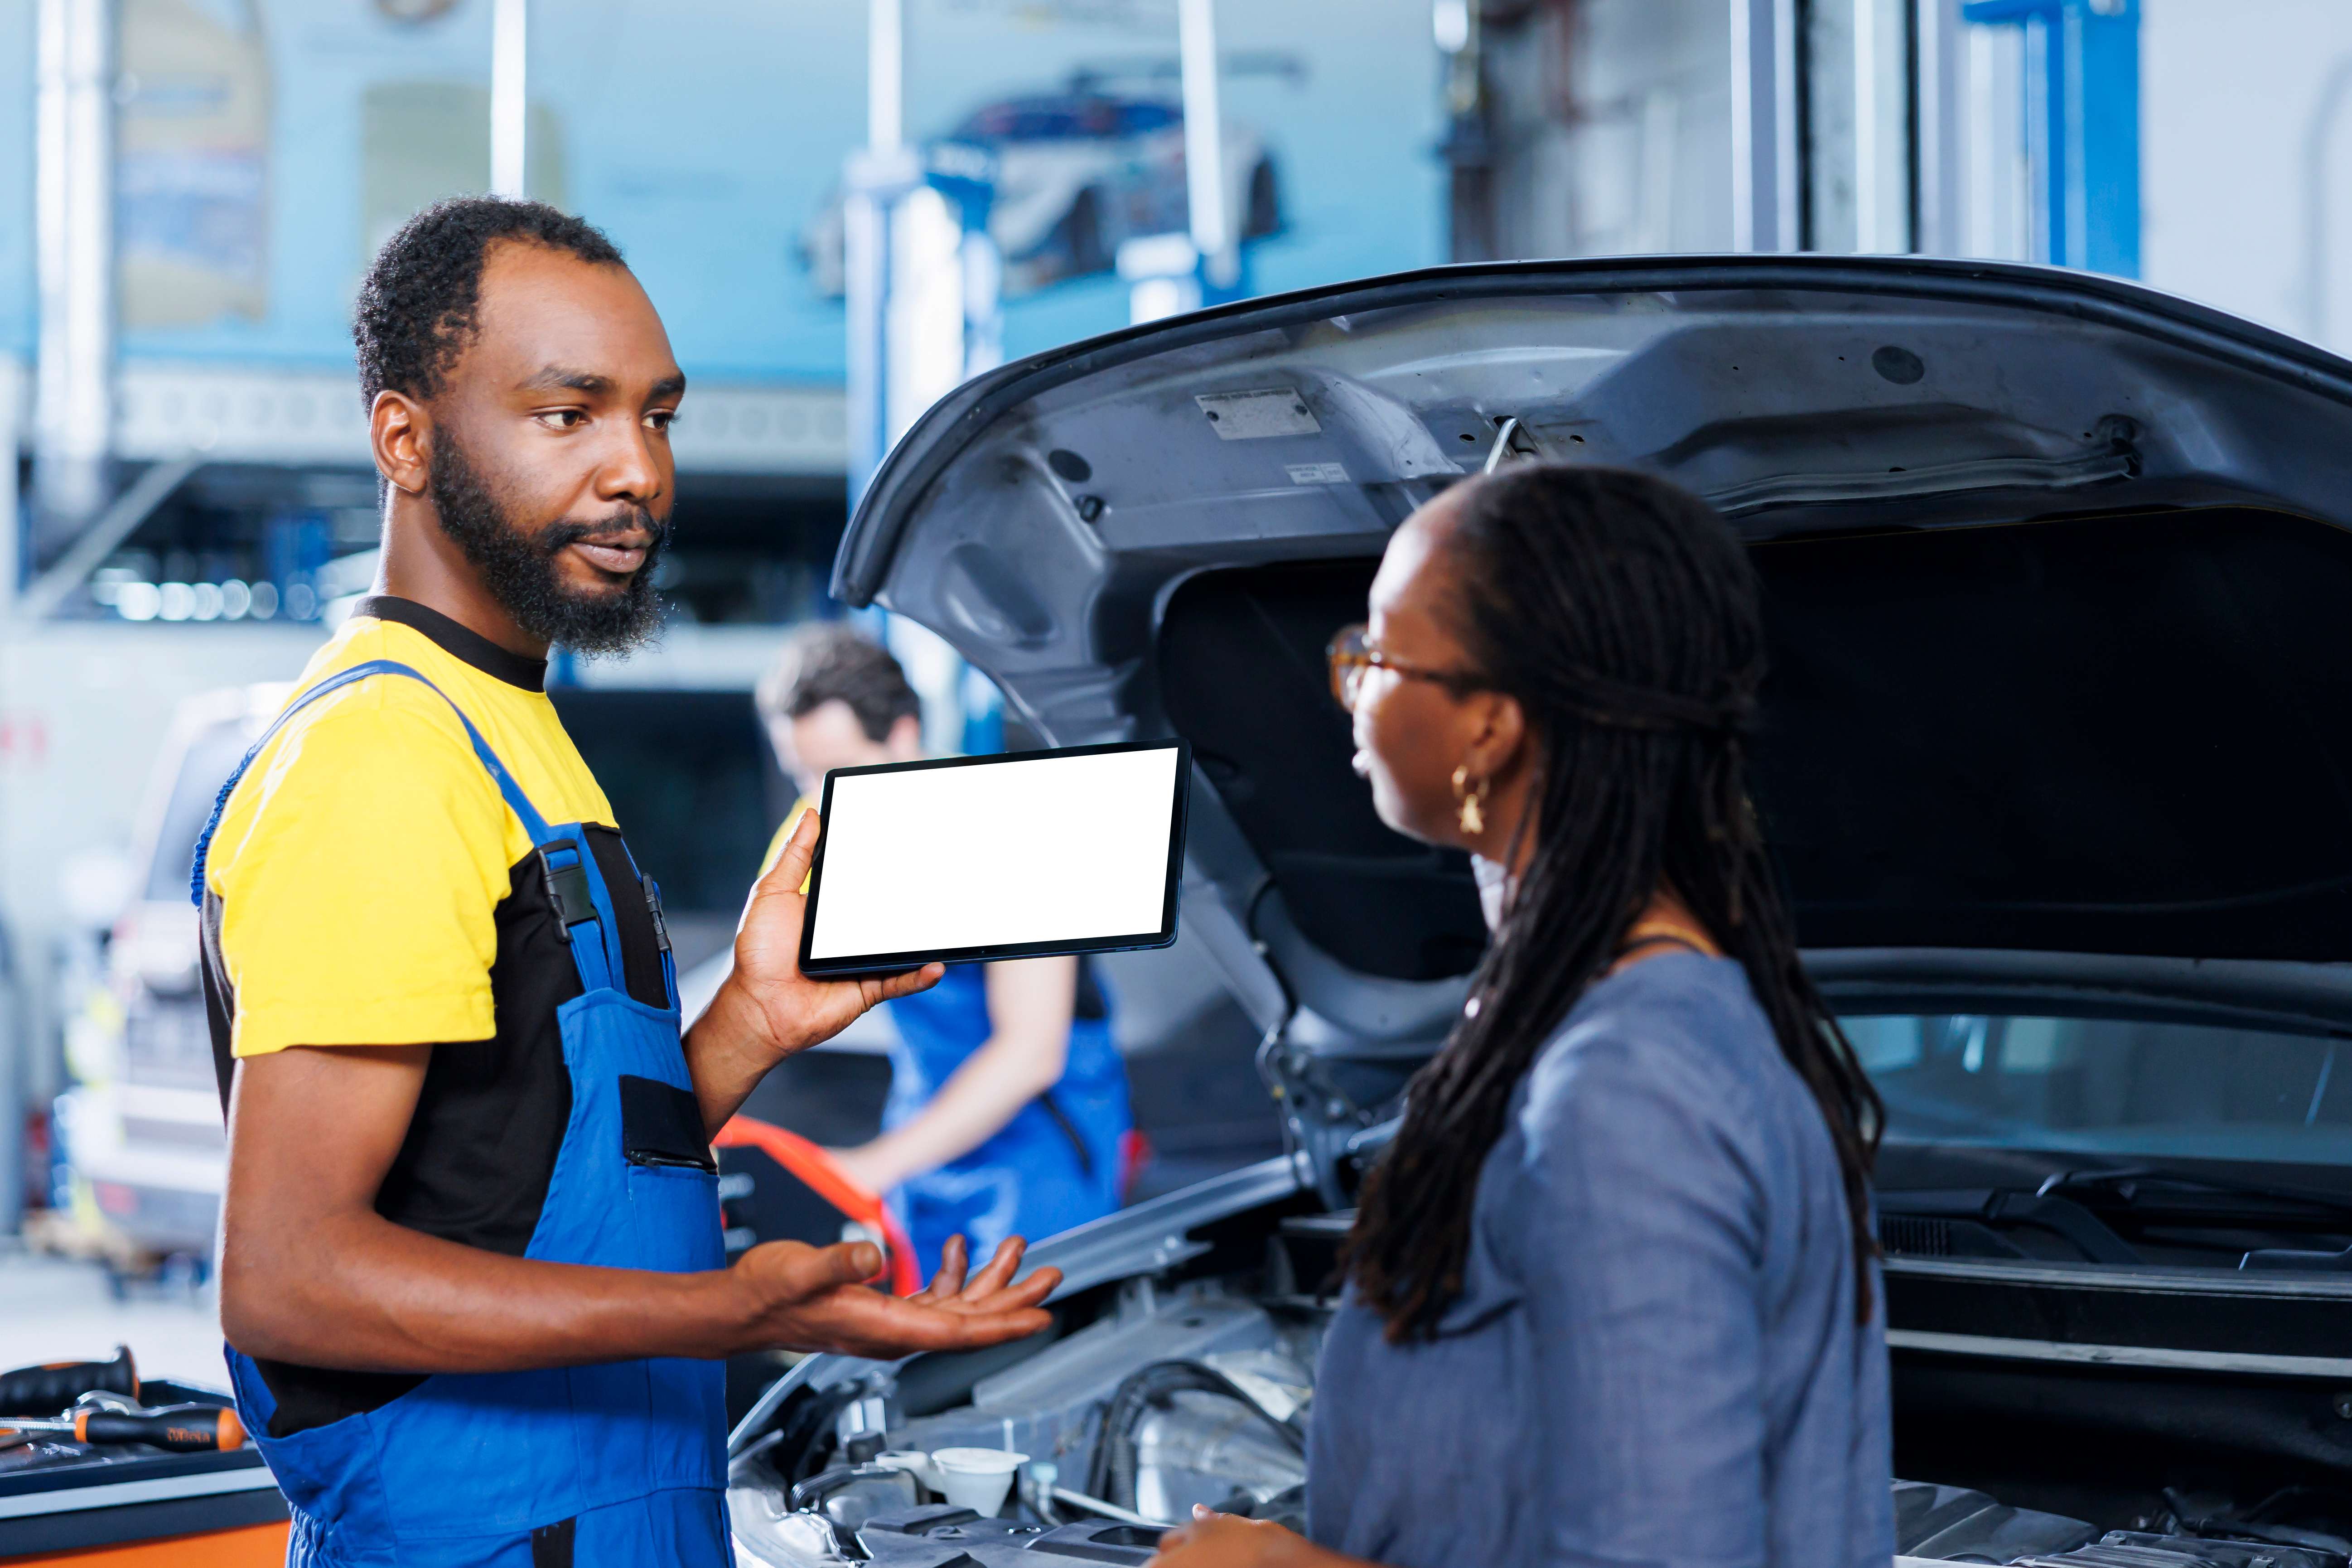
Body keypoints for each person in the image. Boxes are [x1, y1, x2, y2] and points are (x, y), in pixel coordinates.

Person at [201, 197, 1058, 1568]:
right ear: (404, 438)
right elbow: (290, 1278)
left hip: (612, 1514)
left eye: (657, 414)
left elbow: (507, 1171)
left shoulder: (514, 733)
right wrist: (729, 1307)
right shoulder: (382, 758)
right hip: (484, 1536)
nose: (639, 469)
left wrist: (749, 1027)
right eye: (569, 414)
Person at [1150, 464, 1893, 1568]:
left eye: (1381, 654)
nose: (1349, 686)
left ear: (1490, 728)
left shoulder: (1628, 1086)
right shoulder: (1604, 1015)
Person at [755, 625, 1134, 1279]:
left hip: (1036, 1156)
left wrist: (875, 1163)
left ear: (903, 735)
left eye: (833, 771)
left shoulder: (1018, 833)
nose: (817, 798)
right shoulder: (821, 834)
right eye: (801, 772)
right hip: (923, 1138)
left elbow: (1030, 1054)